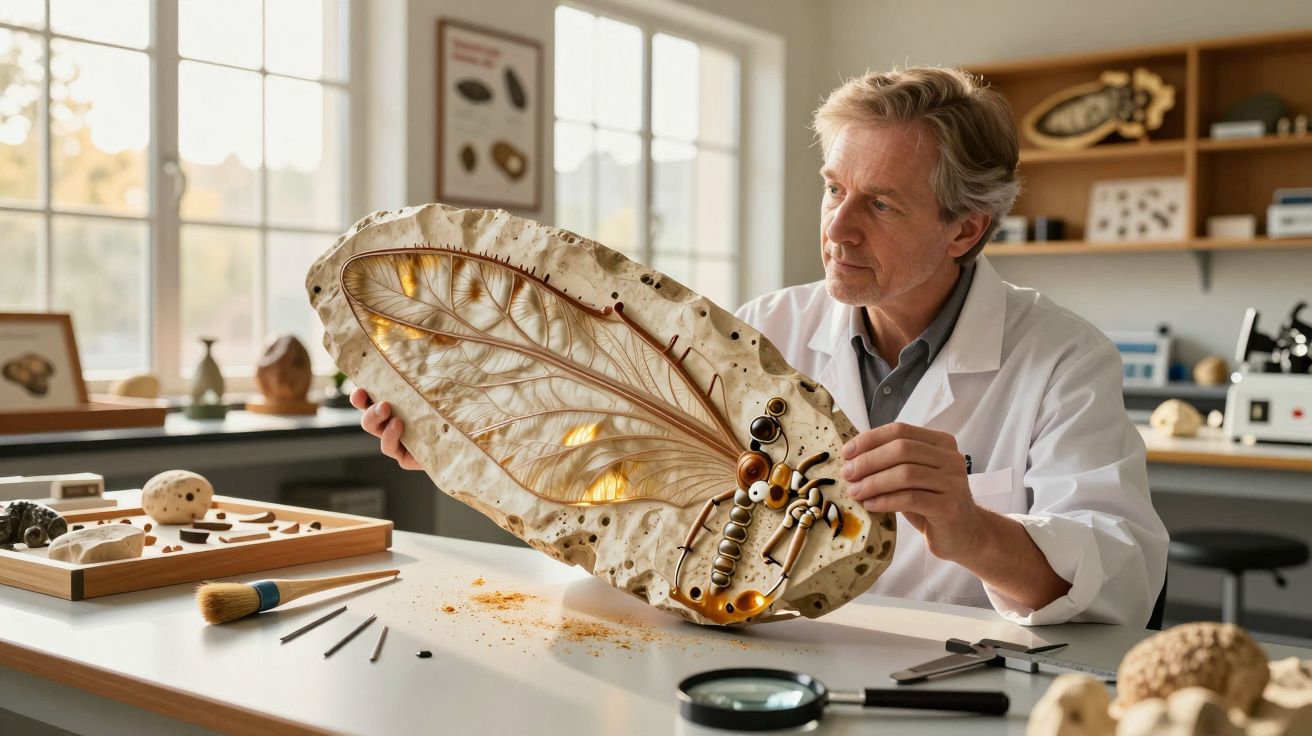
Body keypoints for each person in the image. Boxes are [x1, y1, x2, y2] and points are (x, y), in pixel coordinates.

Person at [354, 67, 1168, 627]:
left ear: (967, 227)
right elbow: (636, 488)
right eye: (832, 189)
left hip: (959, 688)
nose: (837, 229)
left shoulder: (1064, 359)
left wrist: (973, 530)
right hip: (766, 665)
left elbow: (1126, 577)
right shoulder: (765, 330)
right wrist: (473, 442)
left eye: (880, 205)